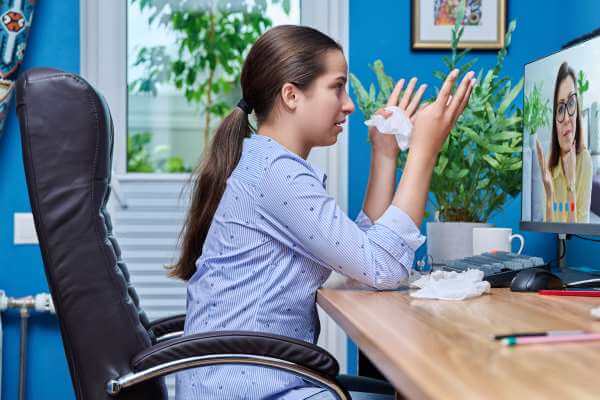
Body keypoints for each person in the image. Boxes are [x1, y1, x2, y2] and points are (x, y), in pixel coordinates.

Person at [172, 25, 475, 400]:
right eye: (337, 87)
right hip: (248, 389)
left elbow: (363, 258)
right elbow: (381, 267)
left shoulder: (268, 162)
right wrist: (425, 153)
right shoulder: (276, 173)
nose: (348, 104)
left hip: (252, 381)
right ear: (291, 95)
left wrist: (385, 153)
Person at [535, 61, 593, 223]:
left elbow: (578, 233)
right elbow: (549, 228)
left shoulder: (585, 161)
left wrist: (571, 184)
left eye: (571, 103)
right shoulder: (548, 161)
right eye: (560, 109)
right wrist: (548, 196)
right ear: (554, 120)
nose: (567, 118)